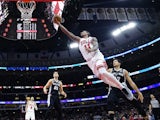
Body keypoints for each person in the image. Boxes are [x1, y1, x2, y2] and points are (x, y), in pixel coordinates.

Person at [53, 15, 133, 100]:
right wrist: (59, 24)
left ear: (87, 33)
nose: (82, 32)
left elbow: (96, 46)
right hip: (90, 62)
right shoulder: (79, 40)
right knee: (104, 78)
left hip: (97, 56)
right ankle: (121, 87)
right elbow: (68, 33)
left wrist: (91, 49)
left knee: (103, 72)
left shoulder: (92, 38)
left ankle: (122, 88)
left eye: (84, 31)